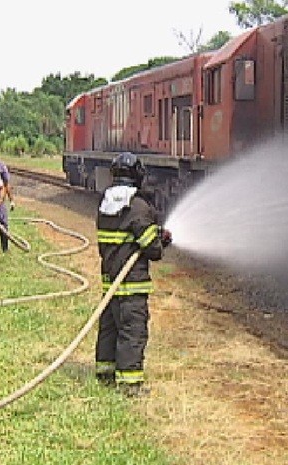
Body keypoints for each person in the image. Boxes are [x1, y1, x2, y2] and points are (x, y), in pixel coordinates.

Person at [95, 152, 172, 396]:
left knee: (110, 327)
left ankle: (105, 373)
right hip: (132, 285)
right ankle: (130, 386)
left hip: (111, 283)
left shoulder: (106, 204)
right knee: (132, 331)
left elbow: (123, 238)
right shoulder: (138, 206)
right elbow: (152, 250)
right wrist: (161, 240)